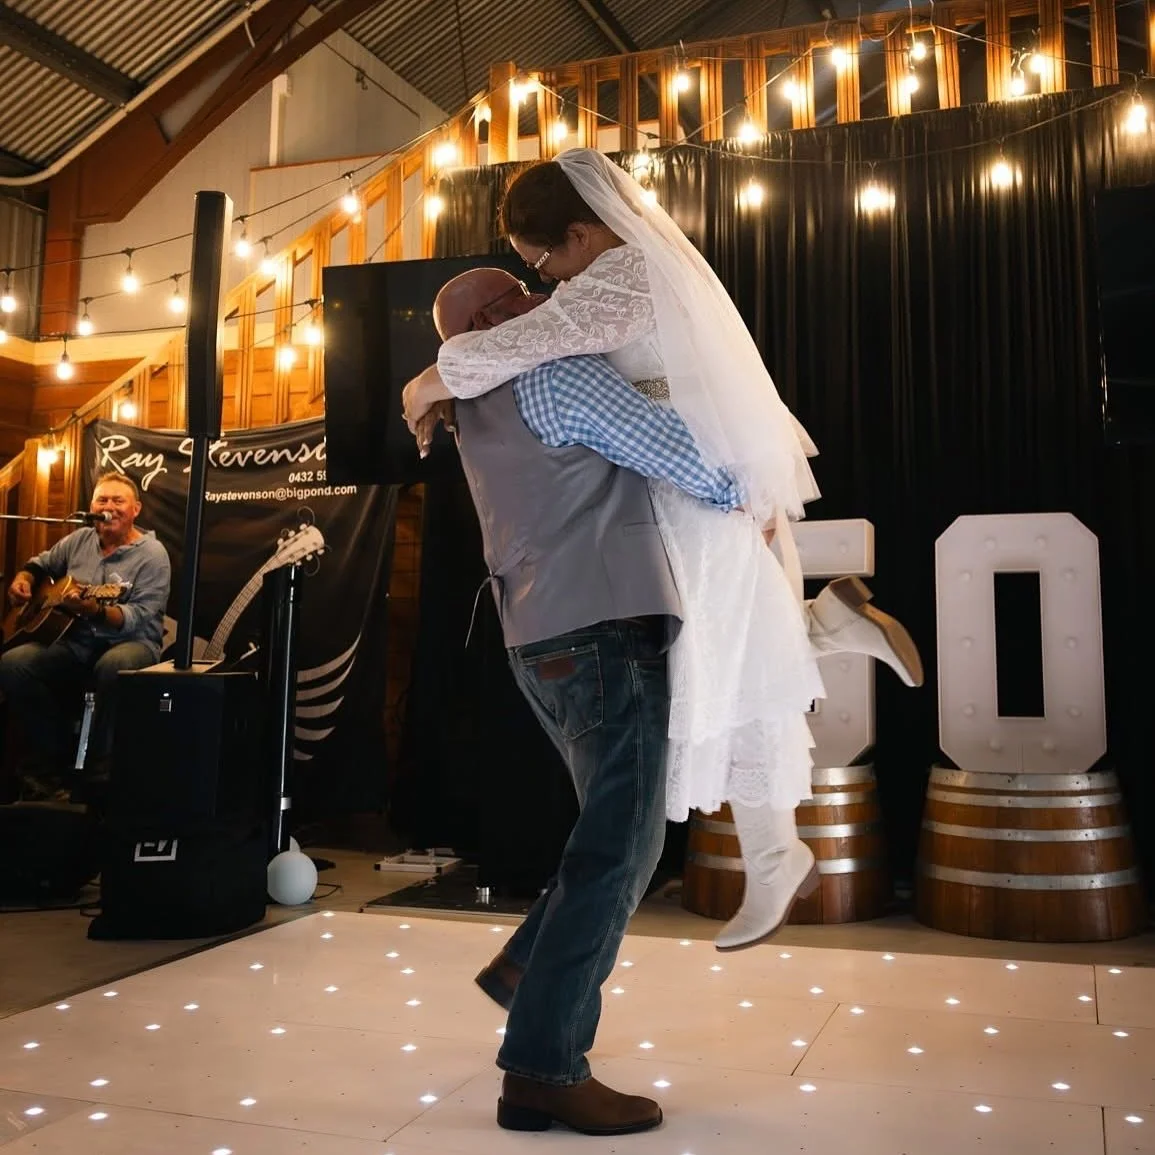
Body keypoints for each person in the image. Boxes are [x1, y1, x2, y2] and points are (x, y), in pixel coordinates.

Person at [403, 149, 923, 954]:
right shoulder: (625, 275)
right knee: (729, 663)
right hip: (694, 470)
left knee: (717, 666)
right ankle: (783, 808)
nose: (545, 285)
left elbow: (515, 344)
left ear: (581, 234)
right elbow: (522, 341)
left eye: (539, 263)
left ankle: (777, 834)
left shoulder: (621, 277)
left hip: (691, 476)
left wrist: (425, 382)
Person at [428, 265, 753, 1135]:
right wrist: (755, 487)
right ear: (494, 318)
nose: (545, 299)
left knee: (610, 840)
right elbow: (687, 461)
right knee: (619, 852)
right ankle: (542, 1067)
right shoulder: (554, 373)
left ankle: (526, 970)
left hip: (542, 636)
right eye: (523, 291)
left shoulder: (471, 406)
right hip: (602, 628)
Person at [0, 471, 170, 797]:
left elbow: (138, 616)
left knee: (114, 665)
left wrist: (96, 610)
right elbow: (41, 564)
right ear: (91, 507)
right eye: (102, 500)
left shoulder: (152, 555)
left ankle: (99, 774)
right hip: (75, 642)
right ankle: (49, 765)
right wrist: (23, 580)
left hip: (132, 642)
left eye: (118, 501)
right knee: (13, 663)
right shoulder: (79, 540)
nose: (109, 507)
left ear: (136, 509)